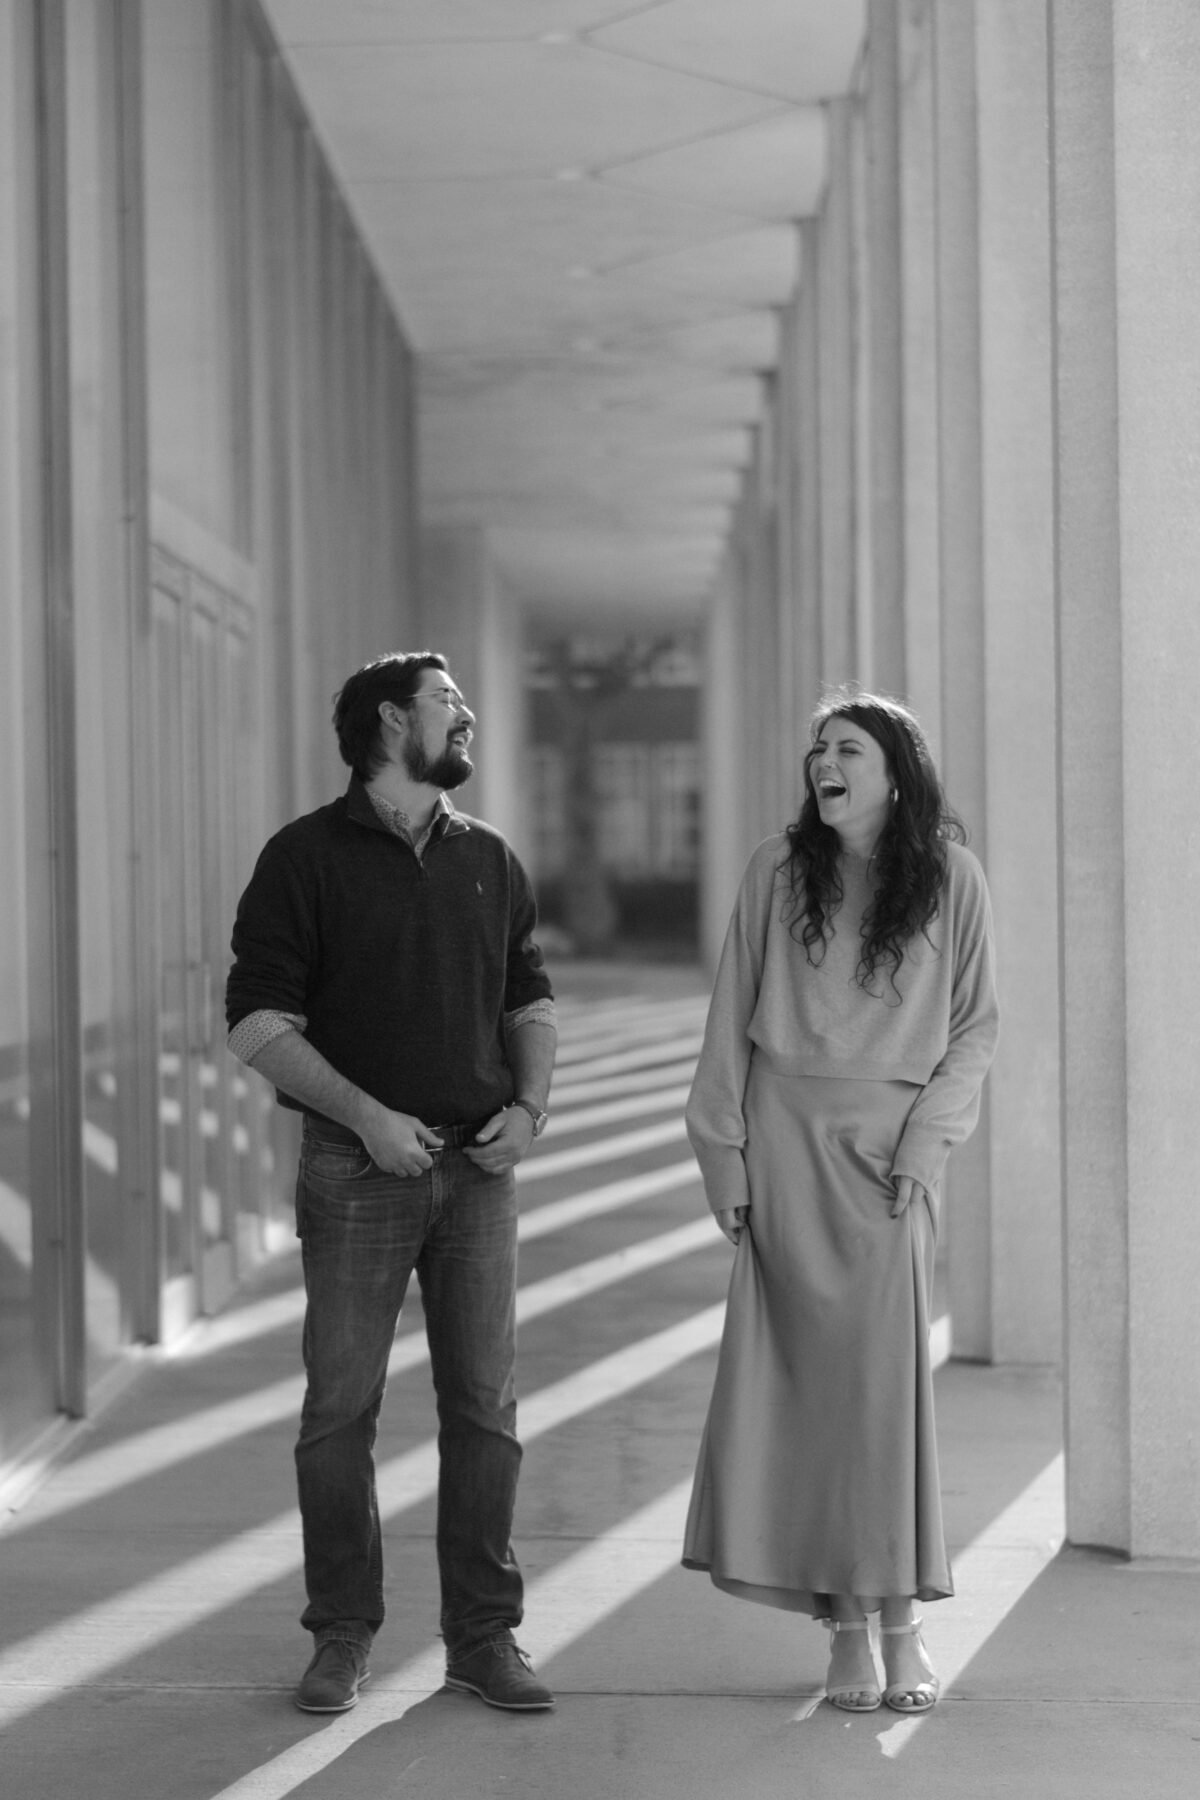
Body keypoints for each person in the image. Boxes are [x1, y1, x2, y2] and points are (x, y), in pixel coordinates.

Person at [225, 651, 557, 1715]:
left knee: (485, 1410)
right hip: (352, 1173)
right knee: (339, 1413)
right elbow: (256, 1022)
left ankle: (484, 1638)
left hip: (479, 1171)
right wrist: (366, 1118)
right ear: (385, 722)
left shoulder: (491, 857)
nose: (465, 718)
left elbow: (529, 1000)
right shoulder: (302, 858)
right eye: (446, 704)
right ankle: (342, 1635)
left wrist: (529, 1108)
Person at [681, 688, 998, 1714]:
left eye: (848, 748)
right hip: (781, 1143)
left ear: (893, 772)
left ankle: (902, 1619)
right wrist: (723, 1158)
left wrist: (924, 1145)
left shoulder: (952, 877)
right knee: (803, 1404)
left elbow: (977, 1030)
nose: (825, 761)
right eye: (818, 748)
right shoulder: (776, 872)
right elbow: (731, 1016)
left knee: (881, 1402)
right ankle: (847, 1634)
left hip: (888, 1161)